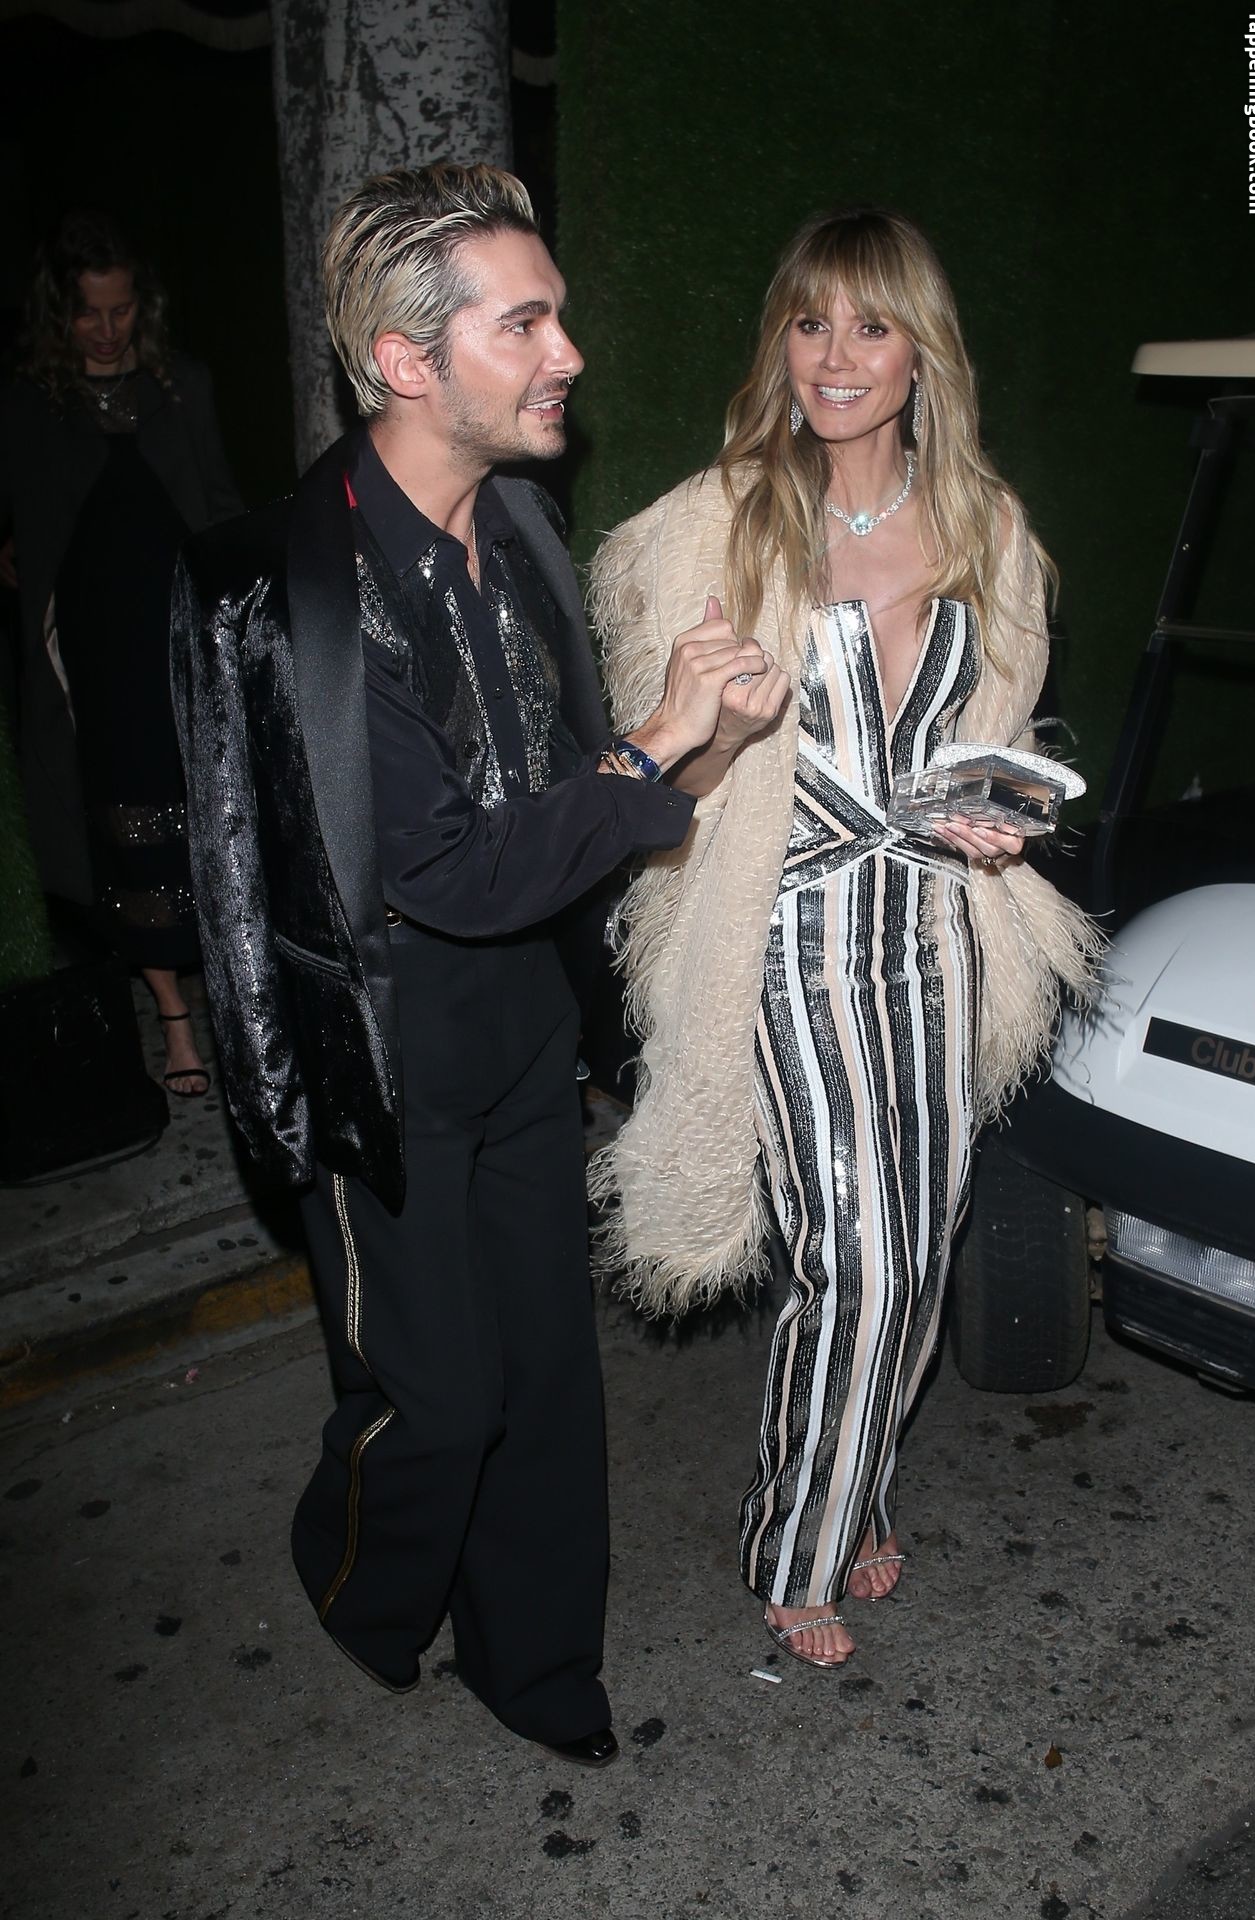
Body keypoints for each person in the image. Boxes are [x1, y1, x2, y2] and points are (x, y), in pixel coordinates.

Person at [168, 164, 779, 1762]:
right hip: (384, 1058)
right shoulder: (303, 591)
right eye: (526, 324)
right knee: (434, 1401)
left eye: (555, 314)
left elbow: (568, 809)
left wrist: (703, 743)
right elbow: (440, 870)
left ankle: (536, 1660)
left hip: (521, 1027)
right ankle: (359, 1578)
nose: (569, 352)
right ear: (406, 359)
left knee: (549, 1374)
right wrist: (655, 742)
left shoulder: (516, 525)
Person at [588, 207, 1101, 1669]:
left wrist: (995, 817)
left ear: (920, 353)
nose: (834, 356)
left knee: (919, 1245)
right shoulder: (711, 525)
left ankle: (857, 1478)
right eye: (809, 323)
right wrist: (707, 724)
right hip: (782, 927)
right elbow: (664, 786)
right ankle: (796, 1542)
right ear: (781, 344)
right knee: (856, 1256)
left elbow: (994, 742)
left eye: (870, 326)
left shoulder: (990, 530)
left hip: (932, 926)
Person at [0, 211, 242, 1093]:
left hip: (180, 637)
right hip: (97, 656)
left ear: (144, 304)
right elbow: (34, 522)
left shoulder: (182, 385)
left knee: (211, 810)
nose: (107, 329)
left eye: (121, 309)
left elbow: (217, 502)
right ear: (58, 315)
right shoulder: (33, 404)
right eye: (87, 313)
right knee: (126, 821)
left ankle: (233, 993)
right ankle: (173, 1015)